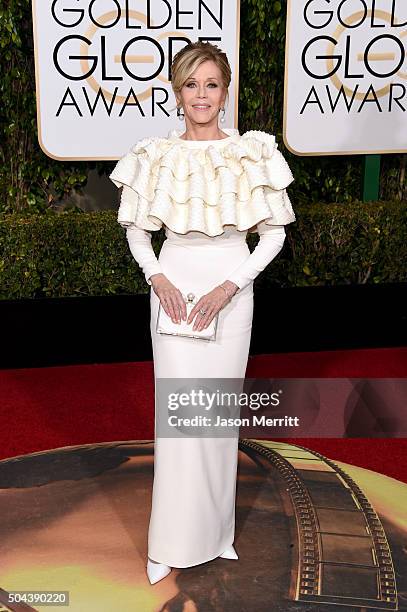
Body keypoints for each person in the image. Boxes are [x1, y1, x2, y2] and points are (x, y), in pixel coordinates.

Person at [109, 40, 296, 585]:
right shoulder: (155, 155)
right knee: (177, 421)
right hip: (173, 292)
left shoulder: (252, 153)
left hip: (230, 294)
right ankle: (168, 542)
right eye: (191, 84)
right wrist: (158, 277)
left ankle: (217, 534)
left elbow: (273, 236)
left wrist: (229, 286)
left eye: (211, 84)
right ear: (176, 90)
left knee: (215, 420)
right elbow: (138, 233)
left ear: (226, 91)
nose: (201, 95)